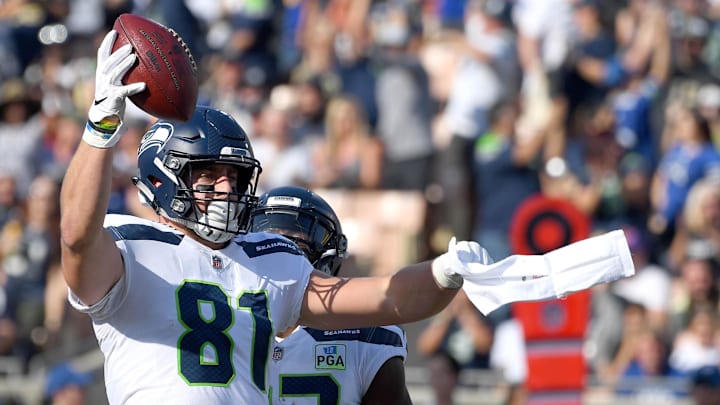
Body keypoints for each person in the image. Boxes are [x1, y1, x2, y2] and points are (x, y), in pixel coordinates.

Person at [60, 30, 634, 403]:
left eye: (234, 177)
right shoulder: (128, 245)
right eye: (208, 176)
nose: (225, 189)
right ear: (167, 180)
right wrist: (100, 129)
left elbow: (388, 299)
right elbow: (76, 237)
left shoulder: (270, 260)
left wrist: (443, 272)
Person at [249, 185, 411, 405]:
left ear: (325, 261)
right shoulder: (222, 318)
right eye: (265, 244)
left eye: (293, 245)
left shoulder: (366, 336)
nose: (276, 257)